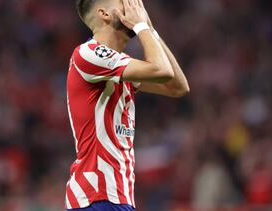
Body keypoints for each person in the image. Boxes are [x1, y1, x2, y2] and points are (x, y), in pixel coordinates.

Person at [65, 0, 189, 210]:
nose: (134, 7)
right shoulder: (89, 54)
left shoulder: (118, 65)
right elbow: (162, 70)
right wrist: (141, 27)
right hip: (96, 196)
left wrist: (150, 29)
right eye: (124, 3)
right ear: (104, 13)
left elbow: (177, 87)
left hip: (116, 197)